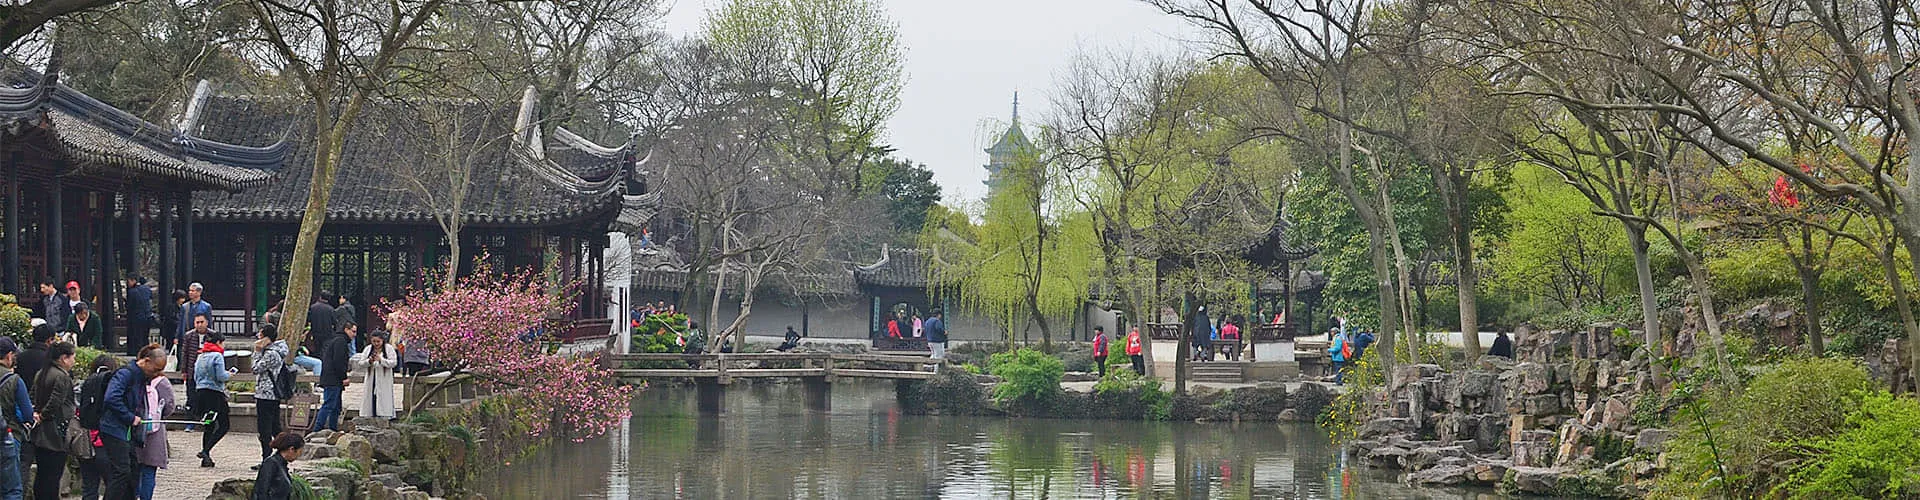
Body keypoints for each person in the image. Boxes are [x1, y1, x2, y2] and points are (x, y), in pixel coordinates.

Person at [29, 343, 76, 500]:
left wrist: (36, 413)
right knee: (53, 476)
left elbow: (33, 395)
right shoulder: (62, 376)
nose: (74, 361)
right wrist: (44, 415)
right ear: (64, 358)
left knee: (43, 475)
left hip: (40, 433)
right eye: (72, 357)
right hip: (56, 432)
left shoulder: (41, 373)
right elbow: (56, 401)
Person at [75, 354, 122, 500]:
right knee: (112, 485)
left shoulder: (84, 386)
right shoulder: (115, 388)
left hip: (86, 442)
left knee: (89, 486)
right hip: (107, 442)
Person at [0, 338, 36, 500]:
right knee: (12, 489)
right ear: (9, 356)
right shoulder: (13, 380)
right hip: (9, 435)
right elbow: (27, 413)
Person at [192, 329, 233, 467]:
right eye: (223, 343)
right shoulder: (217, 356)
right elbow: (221, 376)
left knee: (209, 424)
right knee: (224, 424)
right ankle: (205, 450)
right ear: (218, 342)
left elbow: (195, 376)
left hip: (201, 393)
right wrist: (229, 375)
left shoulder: (201, 356)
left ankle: (206, 458)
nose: (224, 346)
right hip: (215, 394)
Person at [136, 363, 175, 499]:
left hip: (135, 427)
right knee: (149, 471)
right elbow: (170, 406)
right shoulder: (162, 383)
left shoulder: (135, 379)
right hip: (155, 430)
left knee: (135, 470)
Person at [252, 324, 289, 463]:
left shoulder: (271, 354)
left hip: (266, 394)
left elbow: (255, 368)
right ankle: (280, 454)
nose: (257, 338)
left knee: (265, 429)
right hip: (271, 394)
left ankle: (267, 459)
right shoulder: (276, 351)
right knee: (274, 427)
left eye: (260, 335)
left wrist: (256, 351)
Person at [315, 321, 356, 433]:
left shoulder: (337, 340)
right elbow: (338, 362)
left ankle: (333, 429)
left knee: (336, 407)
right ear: (346, 330)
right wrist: (344, 377)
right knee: (328, 405)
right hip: (333, 379)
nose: (354, 334)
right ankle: (317, 429)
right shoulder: (340, 341)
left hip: (332, 378)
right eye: (353, 331)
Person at [352, 331, 398, 421]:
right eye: (374, 341)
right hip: (371, 378)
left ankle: (384, 415)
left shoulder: (388, 349)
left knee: (383, 398)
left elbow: (393, 363)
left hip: (383, 378)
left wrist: (381, 360)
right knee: (370, 398)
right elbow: (361, 363)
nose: (376, 344)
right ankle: (369, 415)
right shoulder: (368, 349)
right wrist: (369, 361)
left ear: (382, 340)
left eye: (378, 341)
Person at [252, 432, 305, 500]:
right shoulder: (271, 463)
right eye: (299, 452)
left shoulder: (282, 465)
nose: (299, 456)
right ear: (291, 449)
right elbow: (261, 491)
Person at [16, 325, 51, 396]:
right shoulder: (51, 359)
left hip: (22, 396)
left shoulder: (20, 357)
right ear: (49, 340)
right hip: (43, 399)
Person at [125, 276, 155, 356]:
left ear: (133, 280)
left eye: (128, 282)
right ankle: (146, 352)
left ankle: (137, 352)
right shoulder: (147, 289)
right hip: (147, 317)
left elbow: (129, 306)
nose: (128, 284)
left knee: (136, 336)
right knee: (145, 336)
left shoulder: (132, 292)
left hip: (136, 317)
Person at [177, 283, 211, 351]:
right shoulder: (185, 307)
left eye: (193, 291)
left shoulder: (206, 306)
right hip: (187, 335)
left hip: (200, 335)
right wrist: (177, 337)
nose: (190, 292)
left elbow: (209, 323)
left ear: (199, 292)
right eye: (190, 290)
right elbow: (181, 323)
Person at [179, 314, 211, 382]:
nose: (200, 325)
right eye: (197, 322)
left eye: (202, 322)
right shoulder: (188, 335)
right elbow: (184, 353)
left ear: (207, 323)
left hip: (208, 371)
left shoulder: (212, 335)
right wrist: (183, 370)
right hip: (192, 370)